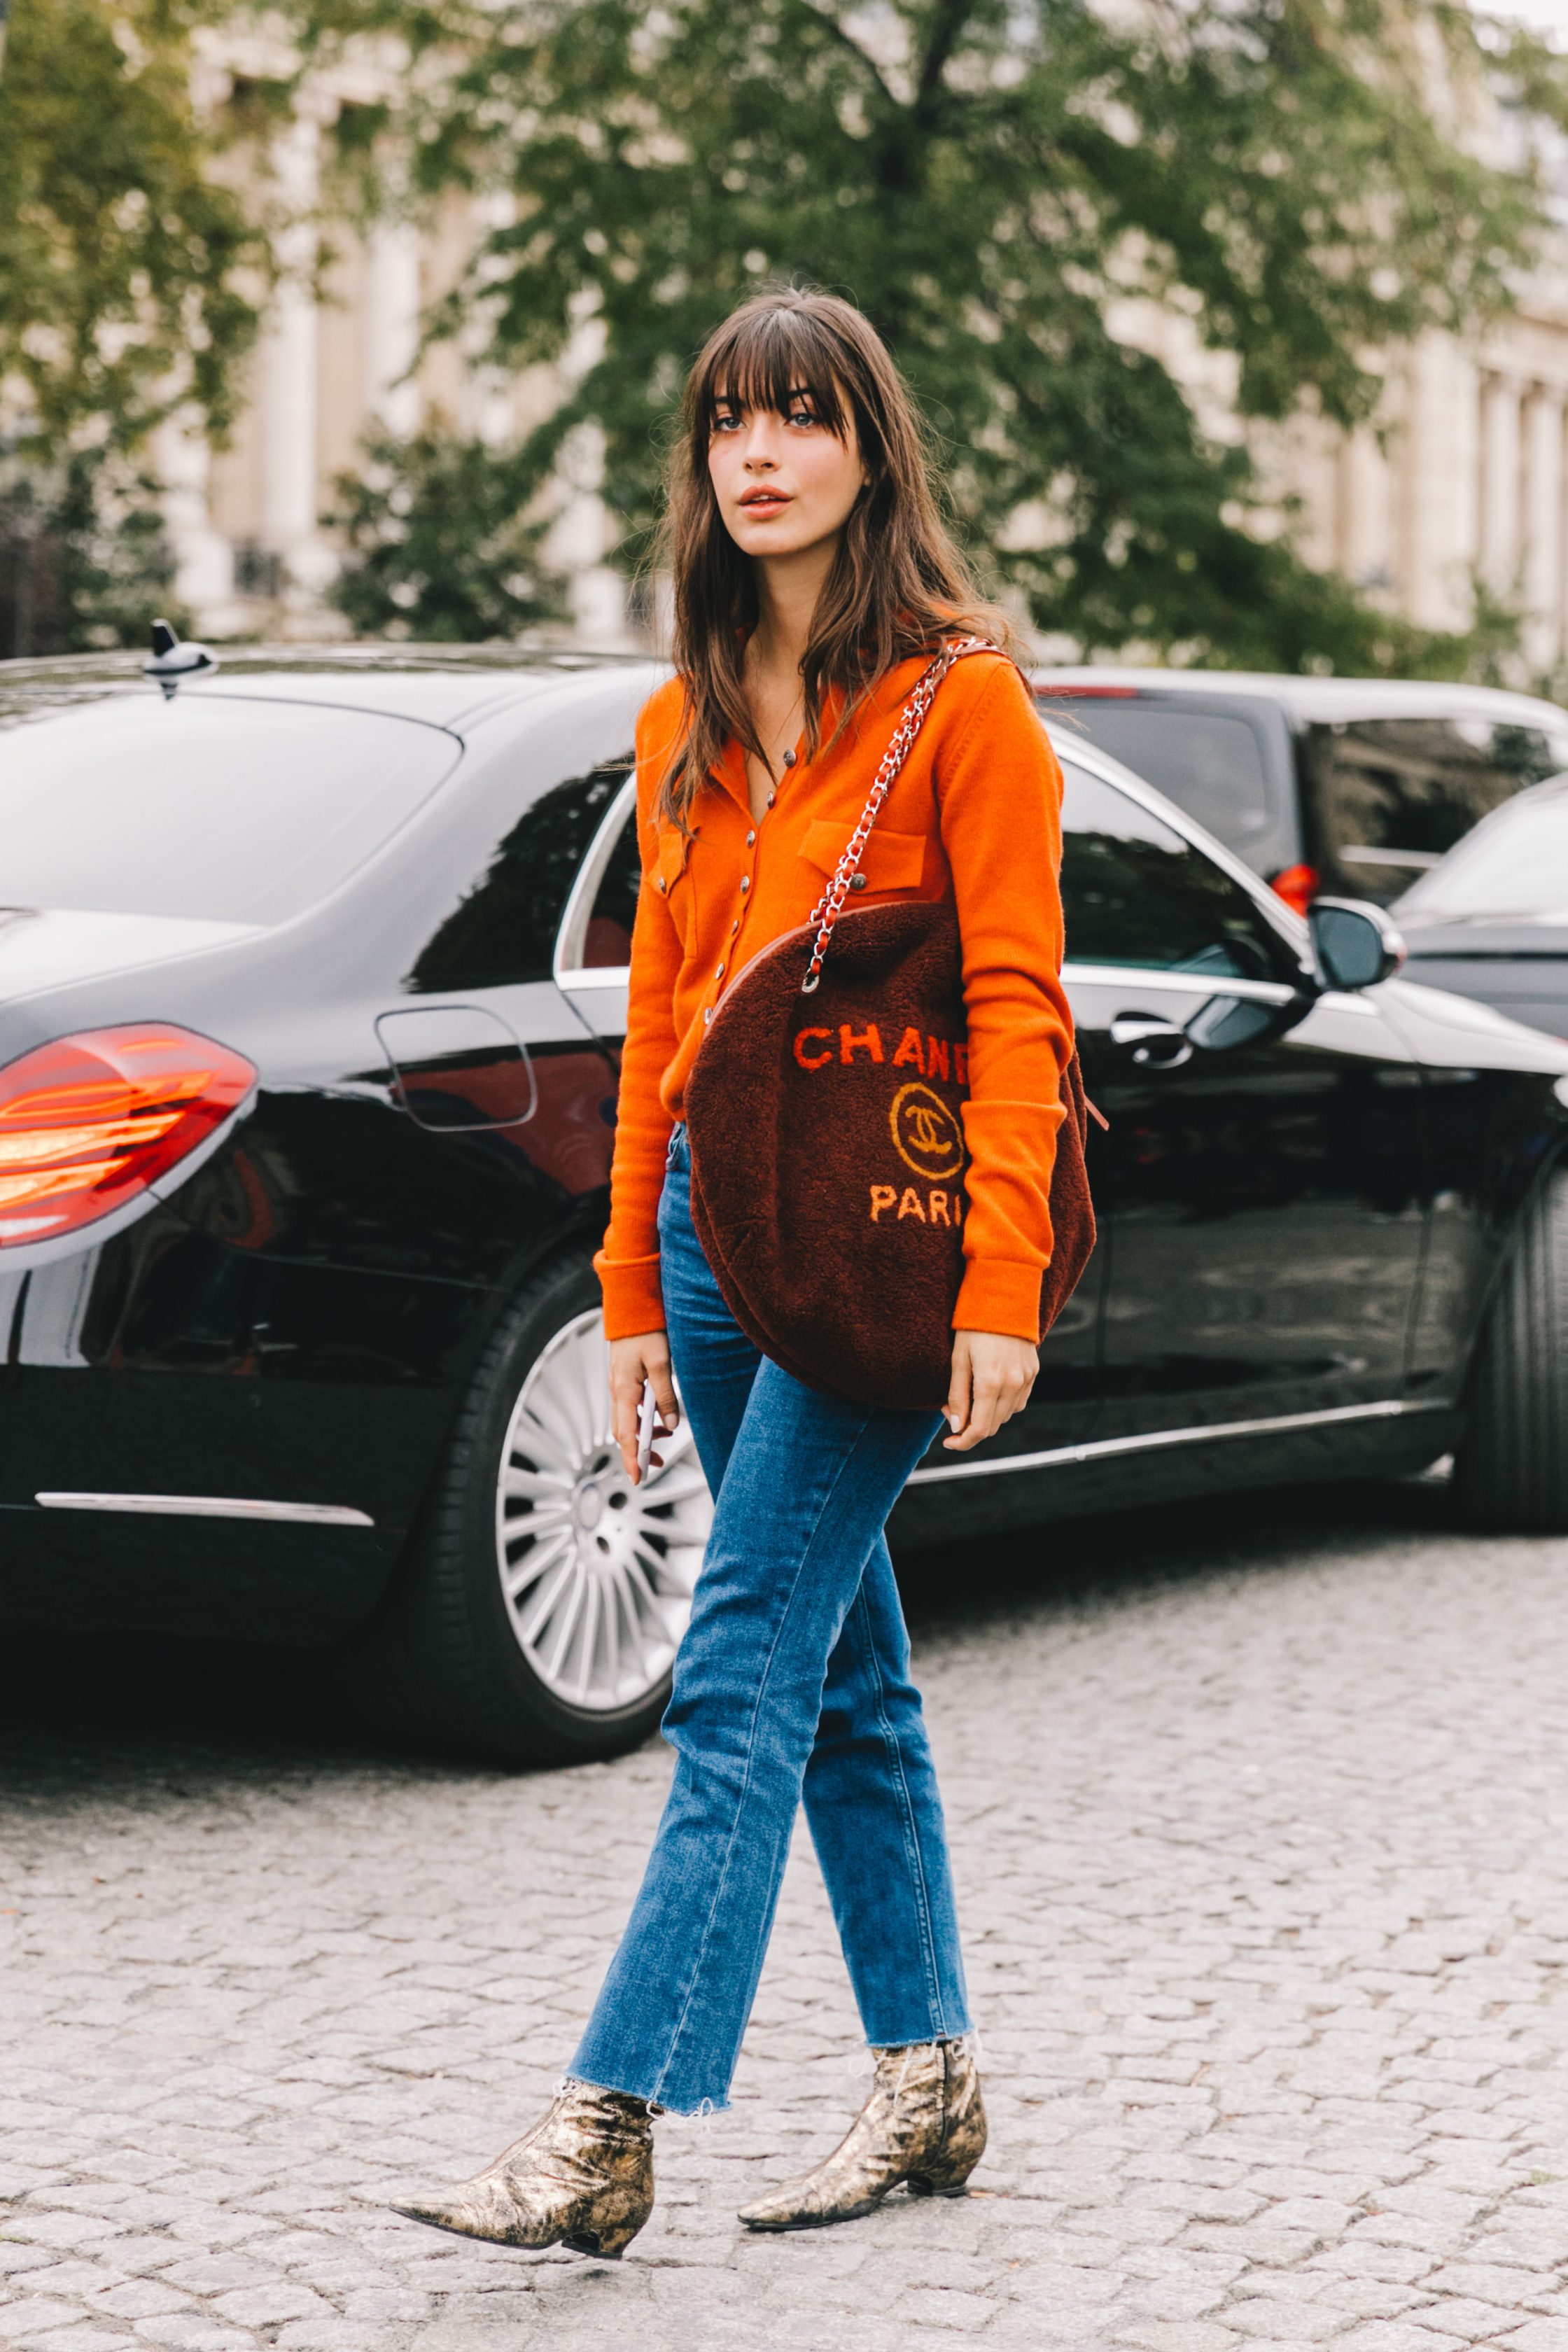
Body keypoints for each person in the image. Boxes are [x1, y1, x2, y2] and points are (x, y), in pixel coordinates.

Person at [394, 287, 1072, 2259]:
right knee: (846, 1677)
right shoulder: (679, 720)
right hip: (711, 1233)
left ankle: (609, 2120)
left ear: (870, 452)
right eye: (725, 424)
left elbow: (1023, 1011)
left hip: (879, 1247)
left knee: (745, 1652)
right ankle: (929, 2081)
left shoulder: (966, 705)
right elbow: (662, 1032)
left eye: (798, 418)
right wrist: (625, 1287)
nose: (756, 454)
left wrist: (1001, 1282)